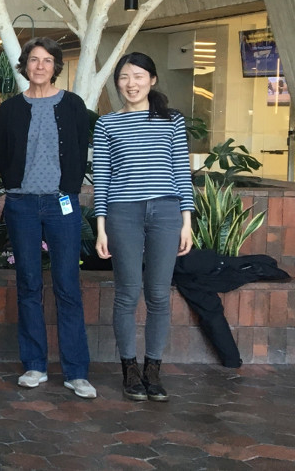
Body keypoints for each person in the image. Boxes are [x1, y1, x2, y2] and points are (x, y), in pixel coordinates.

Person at [0, 37, 95, 399]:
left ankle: (76, 372)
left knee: (68, 285)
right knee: (29, 285)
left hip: (61, 204)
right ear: (25, 65)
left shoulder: (72, 105)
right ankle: (35, 365)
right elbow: (3, 154)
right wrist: (12, 184)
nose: (40, 66)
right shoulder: (10, 109)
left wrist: (67, 188)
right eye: (33, 60)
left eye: (47, 60)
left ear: (56, 67)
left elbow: (81, 151)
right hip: (21, 205)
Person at [94, 52, 194, 402]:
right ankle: (130, 370)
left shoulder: (172, 121)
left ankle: (154, 369)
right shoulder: (107, 124)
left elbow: (182, 172)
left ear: (152, 80)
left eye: (138, 76)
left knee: (158, 293)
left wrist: (187, 222)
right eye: (124, 77)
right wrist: (101, 227)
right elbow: (102, 179)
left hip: (166, 213)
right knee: (127, 292)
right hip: (123, 213)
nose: (131, 83)